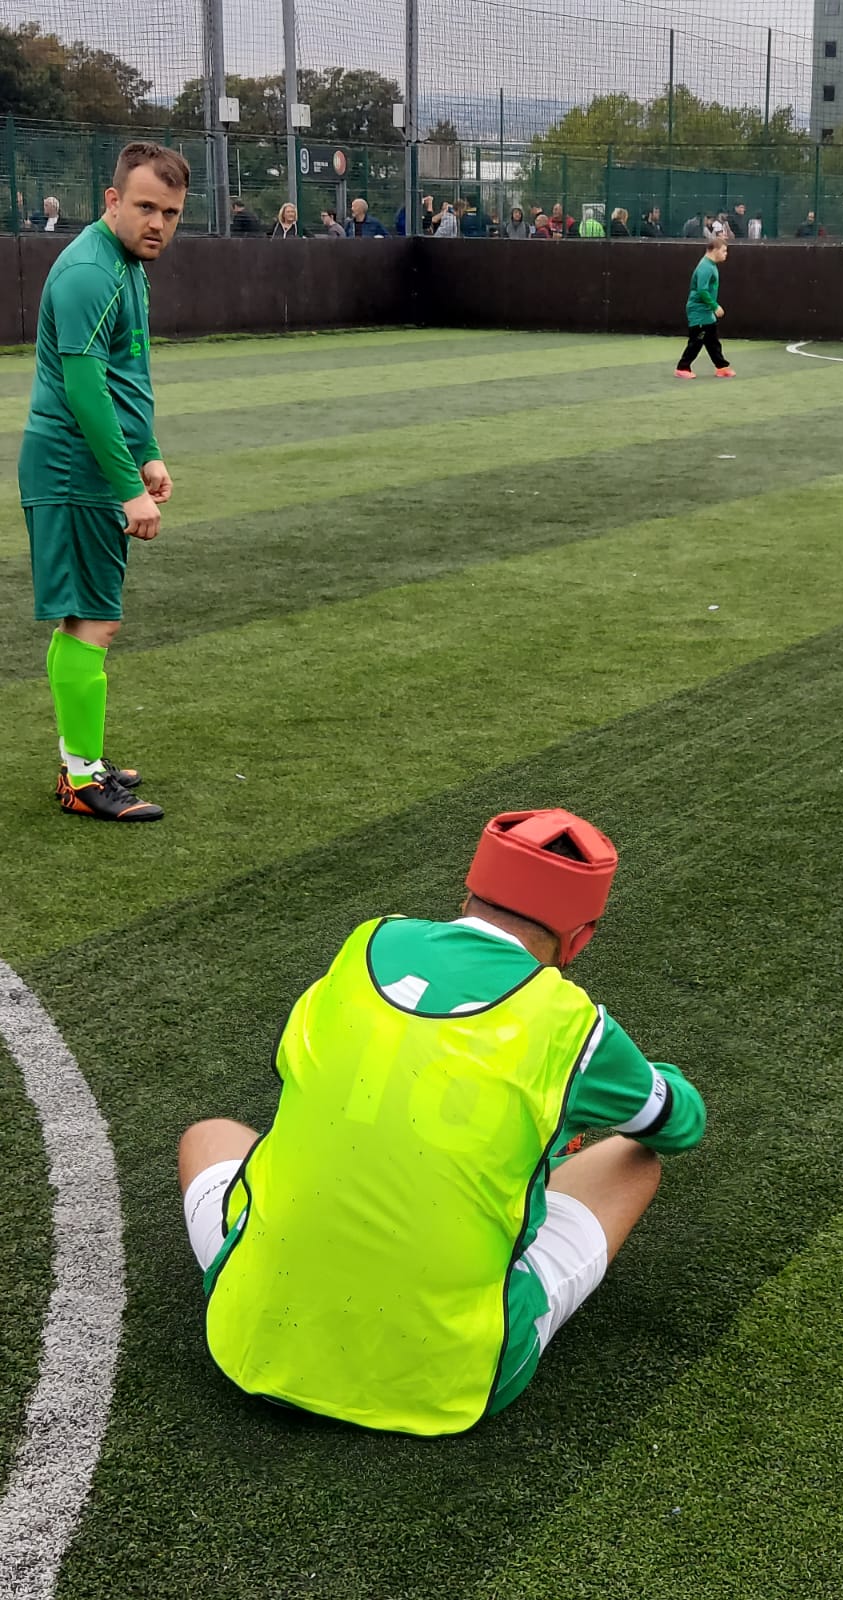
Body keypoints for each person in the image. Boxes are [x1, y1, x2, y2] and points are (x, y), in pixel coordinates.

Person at [179, 808, 706, 1436]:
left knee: (211, 1135)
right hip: (450, 1380)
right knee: (633, 1160)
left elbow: (290, 1064)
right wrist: (635, 1080)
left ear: (469, 891)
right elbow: (678, 1125)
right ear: (581, 937)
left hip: (250, 1341)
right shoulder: (576, 1026)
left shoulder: (366, 943)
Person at [18, 142, 189, 822]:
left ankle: (80, 759)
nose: (157, 223)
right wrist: (128, 487)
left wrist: (149, 452)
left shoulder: (125, 266)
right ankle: (82, 778)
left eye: (170, 213)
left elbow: (127, 374)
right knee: (94, 619)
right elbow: (86, 392)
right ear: (112, 200)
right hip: (72, 465)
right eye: (145, 207)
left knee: (87, 616)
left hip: (91, 462)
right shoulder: (91, 271)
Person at [675, 234, 734, 380]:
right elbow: (702, 290)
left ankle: (721, 367)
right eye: (724, 251)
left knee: (712, 341)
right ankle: (682, 368)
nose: (726, 254)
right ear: (714, 250)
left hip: (706, 311)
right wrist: (715, 306)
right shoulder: (705, 267)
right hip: (699, 311)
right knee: (697, 341)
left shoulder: (711, 265)